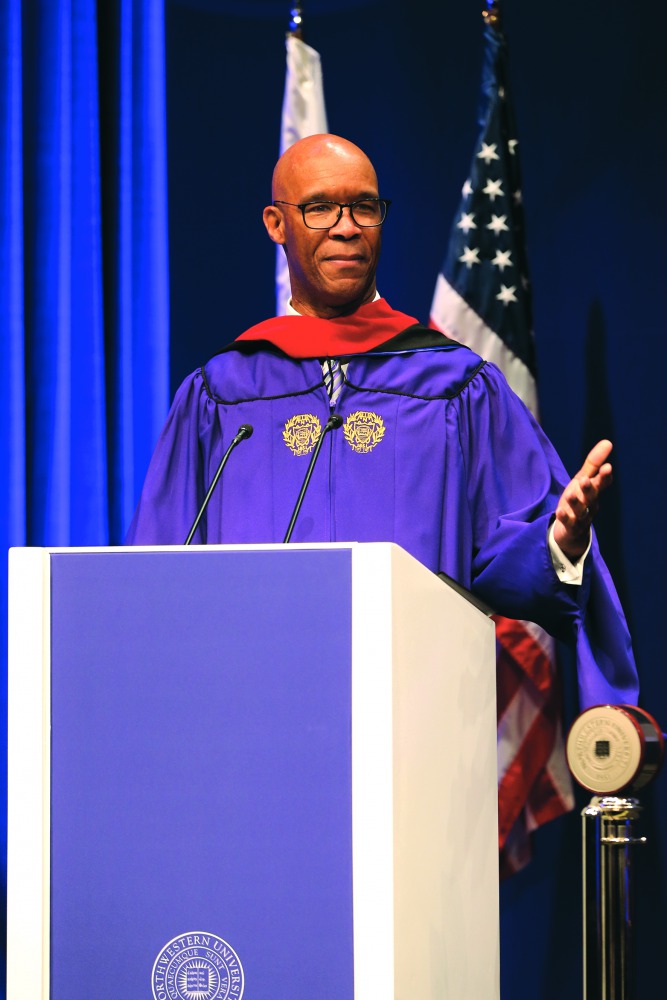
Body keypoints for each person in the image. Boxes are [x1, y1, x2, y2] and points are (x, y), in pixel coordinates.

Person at [127, 133, 638, 708]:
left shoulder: (454, 385)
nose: (347, 227)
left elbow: (506, 558)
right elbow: (157, 577)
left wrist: (558, 543)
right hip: (248, 717)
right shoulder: (222, 394)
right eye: (320, 207)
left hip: (414, 719)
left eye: (364, 207)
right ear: (276, 223)